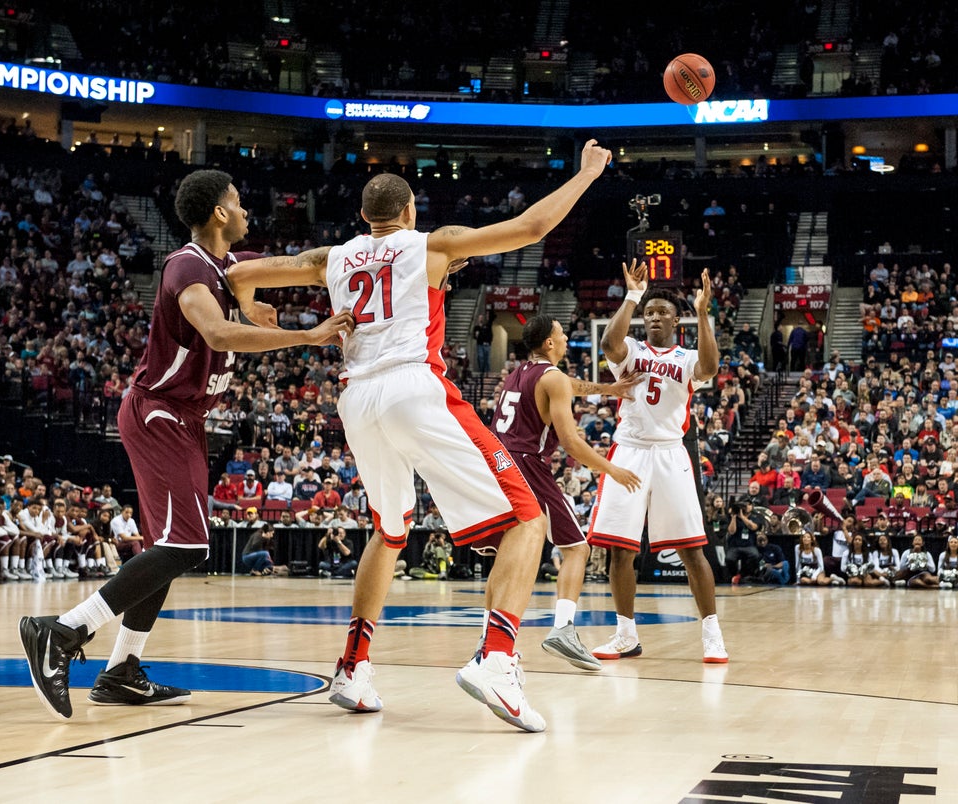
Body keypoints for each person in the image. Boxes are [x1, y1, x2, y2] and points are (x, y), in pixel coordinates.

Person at [225, 138, 615, 733]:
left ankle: (353, 670)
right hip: (414, 386)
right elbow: (533, 225)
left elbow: (241, 274)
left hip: (357, 399)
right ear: (409, 213)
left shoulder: (332, 256)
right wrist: (588, 173)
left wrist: (256, 315)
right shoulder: (432, 244)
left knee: (389, 529)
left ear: (364, 218)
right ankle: (498, 659)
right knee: (528, 518)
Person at [18, 168, 356, 720]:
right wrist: (306, 334)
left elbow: (308, 262)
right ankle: (61, 632)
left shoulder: (226, 270)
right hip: (159, 412)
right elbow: (218, 335)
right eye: (239, 202)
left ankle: (123, 669)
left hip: (184, 420)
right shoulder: (188, 265)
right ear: (220, 212)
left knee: (166, 552)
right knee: (188, 547)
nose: (247, 211)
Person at [587, 259, 729, 663]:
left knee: (692, 550)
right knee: (619, 549)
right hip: (629, 450)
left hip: (670, 452)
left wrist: (703, 314)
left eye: (661, 312)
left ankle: (712, 635)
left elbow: (710, 367)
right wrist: (633, 295)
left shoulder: (686, 358)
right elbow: (609, 345)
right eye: (649, 313)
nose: (653, 318)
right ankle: (625, 634)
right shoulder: (630, 351)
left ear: (675, 321)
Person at [491, 314, 640, 671]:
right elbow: (571, 442)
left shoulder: (518, 373)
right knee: (576, 548)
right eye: (561, 334)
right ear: (549, 343)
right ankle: (563, 628)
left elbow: (567, 385)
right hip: (527, 465)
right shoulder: (552, 377)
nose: (565, 339)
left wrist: (609, 389)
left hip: (497, 463)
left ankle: (490, 639)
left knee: (507, 556)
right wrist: (612, 469)